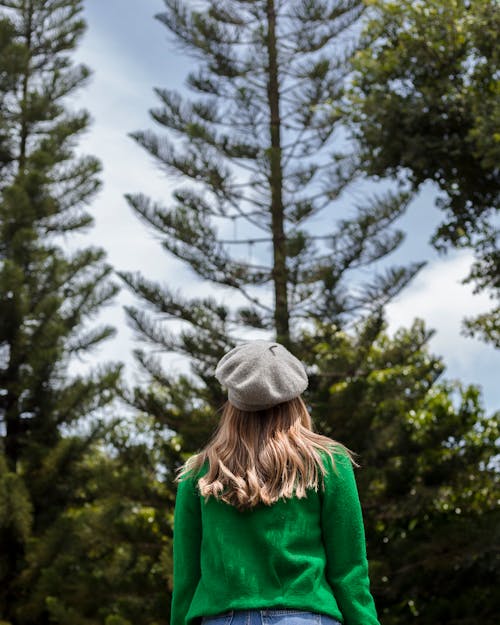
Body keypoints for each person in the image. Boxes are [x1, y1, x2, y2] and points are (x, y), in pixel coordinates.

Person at [170, 339, 382, 625]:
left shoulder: (198, 474)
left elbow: (186, 579)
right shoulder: (329, 463)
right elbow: (350, 572)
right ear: (295, 399)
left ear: (232, 403)